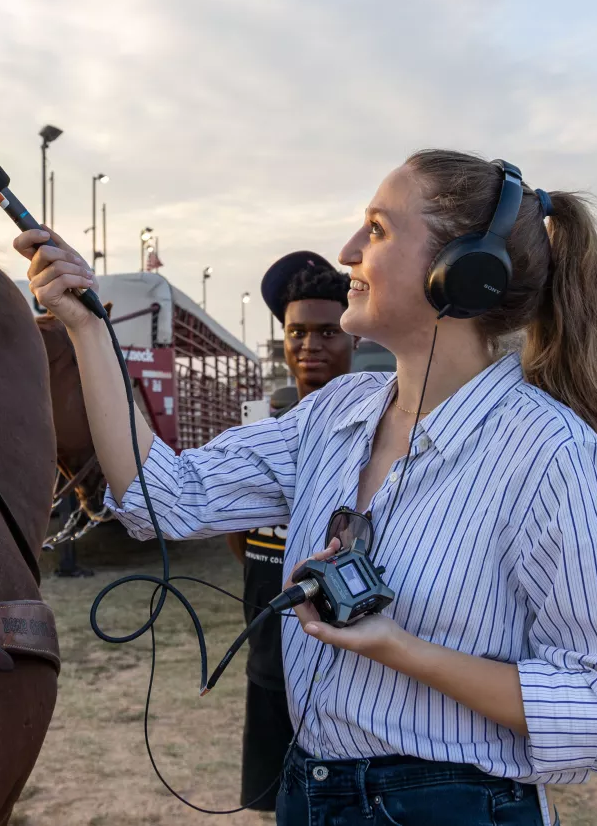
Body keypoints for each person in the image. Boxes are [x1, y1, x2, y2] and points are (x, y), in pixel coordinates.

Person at [19, 150, 597, 825]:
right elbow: (167, 498)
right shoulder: (335, 413)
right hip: (312, 791)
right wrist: (87, 326)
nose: (348, 250)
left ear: (464, 274)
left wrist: (401, 648)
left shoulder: (550, 454)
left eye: (378, 230)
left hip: (455, 807)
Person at [231, 252, 357, 808]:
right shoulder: (265, 433)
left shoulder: (377, 433)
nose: (310, 345)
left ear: (353, 334)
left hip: (350, 660)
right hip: (269, 648)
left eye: (328, 331)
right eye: (297, 331)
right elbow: (241, 535)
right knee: (275, 800)